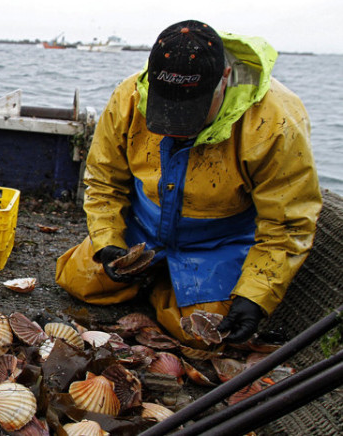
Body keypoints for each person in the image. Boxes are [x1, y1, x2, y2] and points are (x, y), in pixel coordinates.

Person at [55, 20, 322, 346]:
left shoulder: (277, 120)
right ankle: (155, 278)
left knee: (201, 332)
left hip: (218, 242)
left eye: (189, 112)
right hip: (143, 228)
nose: (174, 128)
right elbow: (104, 180)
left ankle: (168, 287)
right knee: (77, 280)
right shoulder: (129, 94)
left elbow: (288, 223)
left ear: (223, 79)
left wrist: (255, 295)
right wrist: (109, 241)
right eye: (165, 110)